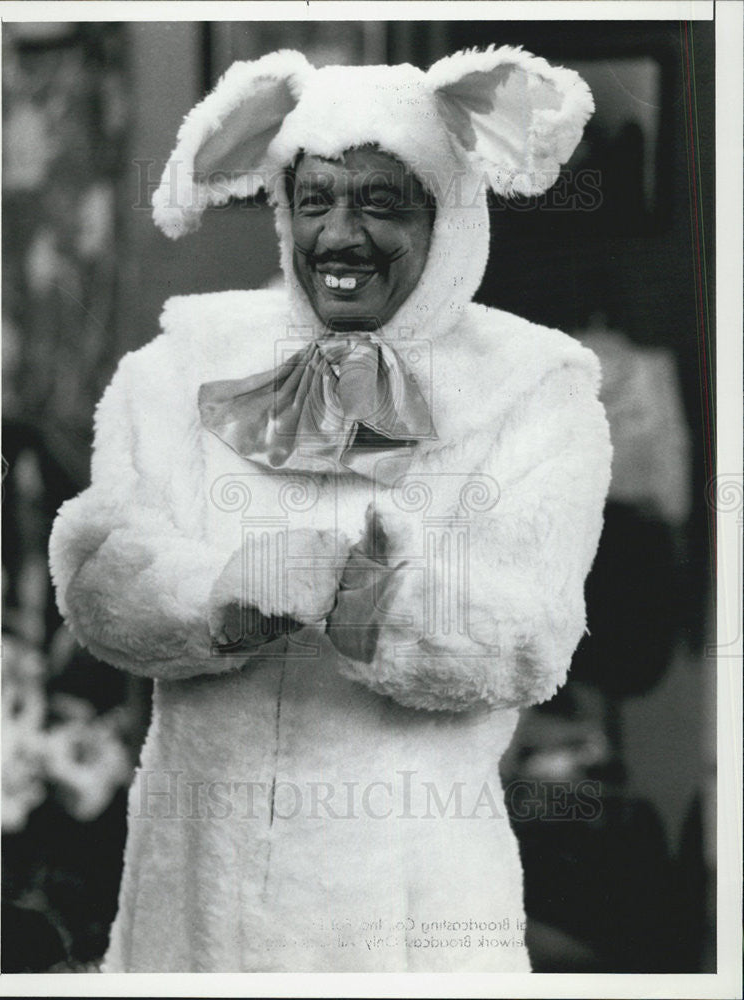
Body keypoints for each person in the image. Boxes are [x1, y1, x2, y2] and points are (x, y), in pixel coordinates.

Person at [49, 46, 612, 972]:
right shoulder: (178, 365)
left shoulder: (533, 395)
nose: (339, 237)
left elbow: (532, 640)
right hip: (189, 915)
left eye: (383, 203)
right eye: (316, 201)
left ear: (451, 211)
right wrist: (223, 596)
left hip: (405, 918)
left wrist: (379, 605)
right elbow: (98, 575)